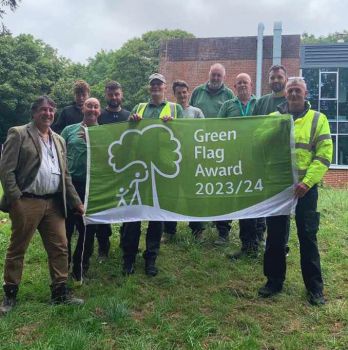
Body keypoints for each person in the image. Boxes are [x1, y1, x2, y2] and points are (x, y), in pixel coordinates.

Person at [0, 96, 84, 315]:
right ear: (34, 113)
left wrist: (76, 202)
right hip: (27, 201)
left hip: (54, 203)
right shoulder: (18, 133)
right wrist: (15, 199)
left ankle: (60, 292)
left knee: (60, 247)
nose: (48, 113)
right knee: (18, 249)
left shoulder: (58, 139)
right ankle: (10, 295)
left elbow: (65, 176)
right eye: (43, 110)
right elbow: (6, 170)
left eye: (51, 110)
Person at [258, 78, 333, 306]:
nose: (293, 93)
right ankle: (273, 281)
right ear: (285, 94)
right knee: (275, 237)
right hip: (279, 189)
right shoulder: (274, 118)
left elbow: (324, 155)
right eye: (290, 90)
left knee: (307, 237)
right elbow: (256, 141)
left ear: (305, 93)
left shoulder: (319, 120)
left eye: (297, 90)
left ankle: (315, 289)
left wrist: (307, 182)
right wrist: (275, 130)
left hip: (305, 190)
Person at [122, 73, 183, 277]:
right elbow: (126, 135)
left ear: (165, 87)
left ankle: (151, 258)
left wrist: (174, 124)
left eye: (159, 84)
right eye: (153, 84)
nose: (156, 87)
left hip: (163, 168)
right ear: (149, 88)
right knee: (133, 215)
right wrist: (131, 122)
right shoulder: (139, 108)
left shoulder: (175, 109)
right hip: (138, 168)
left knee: (157, 217)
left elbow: (183, 135)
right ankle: (129, 258)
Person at [190, 63, 234, 245]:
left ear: (223, 77)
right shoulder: (197, 92)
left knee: (221, 189)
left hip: (220, 148)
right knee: (198, 186)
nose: (215, 78)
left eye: (219, 76)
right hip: (198, 147)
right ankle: (197, 229)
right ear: (209, 74)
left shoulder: (229, 94)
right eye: (213, 75)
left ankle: (223, 231)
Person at [218, 73, 260, 258]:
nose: (242, 85)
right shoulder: (227, 106)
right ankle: (246, 244)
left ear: (251, 85)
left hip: (255, 160)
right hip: (233, 160)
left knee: (257, 198)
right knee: (240, 199)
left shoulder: (259, 104)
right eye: (239, 83)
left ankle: (259, 237)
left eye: (245, 82)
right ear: (234, 87)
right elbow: (216, 130)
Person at [61, 97, 102, 284]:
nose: (92, 109)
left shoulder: (104, 133)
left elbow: (111, 159)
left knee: (87, 230)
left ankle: (80, 267)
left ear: (99, 111)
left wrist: (93, 141)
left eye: (95, 106)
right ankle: (64, 264)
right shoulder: (69, 130)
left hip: (93, 186)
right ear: (82, 108)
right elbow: (59, 155)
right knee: (66, 228)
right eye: (89, 105)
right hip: (70, 186)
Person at [162, 80, 205, 243]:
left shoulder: (196, 112)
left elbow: (204, 133)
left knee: (193, 195)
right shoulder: (168, 110)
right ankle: (169, 231)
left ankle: (198, 230)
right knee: (171, 196)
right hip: (172, 160)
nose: (182, 95)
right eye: (179, 93)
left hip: (191, 160)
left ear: (188, 92)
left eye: (184, 92)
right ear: (175, 94)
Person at [253, 65, 289, 246]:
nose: (276, 80)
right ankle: (256, 241)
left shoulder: (293, 100)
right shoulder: (261, 102)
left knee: (281, 208)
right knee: (260, 201)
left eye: (279, 77)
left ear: (285, 79)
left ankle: (280, 246)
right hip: (262, 161)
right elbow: (250, 129)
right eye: (272, 77)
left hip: (283, 164)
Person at [97, 81, 131, 257]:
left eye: (117, 94)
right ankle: (104, 245)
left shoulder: (129, 116)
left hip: (125, 170)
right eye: (111, 94)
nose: (114, 97)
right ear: (106, 95)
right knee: (104, 207)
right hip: (103, 170)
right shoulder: (99, 116)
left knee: (127, 207)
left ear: (121, 94)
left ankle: (126, 242)